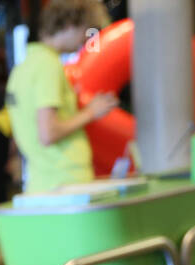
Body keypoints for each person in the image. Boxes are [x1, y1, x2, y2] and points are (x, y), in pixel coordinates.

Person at [6, 0, 117, 193]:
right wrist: (91, 112)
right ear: (69, 25)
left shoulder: (22, 69)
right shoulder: (48, 66)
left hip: (42, 182)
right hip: (67, 181)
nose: (86, 40)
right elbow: (48, 133)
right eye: (87, 30)